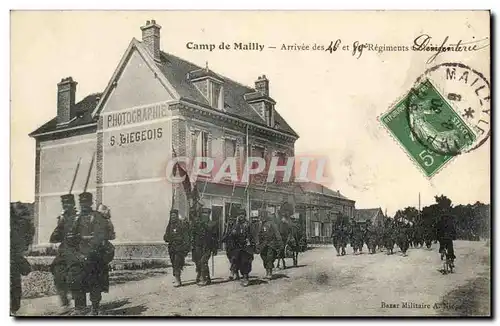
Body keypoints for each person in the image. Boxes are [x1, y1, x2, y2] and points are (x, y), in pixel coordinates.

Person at [67, 193, 115, 316]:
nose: (83, 205)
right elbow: (70, 236)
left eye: (86, 203)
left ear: (90, 203)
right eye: (81, 203)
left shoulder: (97, 216)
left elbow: (100, 236)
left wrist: (88, 250)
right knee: (77, 281)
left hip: (94, 255)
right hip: (79, 255)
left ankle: (95, 308)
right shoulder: (76, 218)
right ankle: (80, 308)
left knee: (95, 283)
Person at [49, 194, 78, 310]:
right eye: (64, 204)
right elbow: (54, 238)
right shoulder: (62, 219)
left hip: (77, 251)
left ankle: (79, 303)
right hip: (64, 252)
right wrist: (60, 223)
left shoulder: (78, 217)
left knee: (75, 276)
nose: (66, 206)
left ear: (73, 204)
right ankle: (65, 303)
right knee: (57, 273)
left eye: (68, 203)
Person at [10, 202, 35, 315]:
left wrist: (26, 245)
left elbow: (29, 229)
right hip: (14, 253)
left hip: (13, 253)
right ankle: (13, 308)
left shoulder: (19, 220)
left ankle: (13, 308)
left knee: (14, 280)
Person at [222, 208, 254, 286]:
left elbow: (252, 235)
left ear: (245, 215)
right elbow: (230, 236)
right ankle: (236, 274)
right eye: (239, 215)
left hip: (246, 247)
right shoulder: (235, 225)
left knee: (245, 262)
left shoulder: (248, 224)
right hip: (237, 247)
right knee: (235, 260)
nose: (241, 216)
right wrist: (231, 232)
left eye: (242, 214)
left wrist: (250, 242)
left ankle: (246, 278)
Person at [163, 209, 191, 287]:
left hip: (179, 248)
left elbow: (186, 236)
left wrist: (186, 247)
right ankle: (177, 278)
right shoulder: (169, 225)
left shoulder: (181, 224)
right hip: (172, 248)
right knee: (173, 263)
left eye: (174, 216)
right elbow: (166, 236)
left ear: (177, 216)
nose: (173, 217)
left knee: (177, 263)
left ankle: (178, 280)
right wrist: (166, 237)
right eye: (171, 216)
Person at [191, 207, 218, 286]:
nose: (204, 215)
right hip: (198, 246)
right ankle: (204, 276)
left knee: (203, 261)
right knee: (199, 262)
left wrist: (215, 248)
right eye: (203, 213)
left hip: (208, 247)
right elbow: (193, 233)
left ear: (209, 214)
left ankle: (204, 278)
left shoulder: (213, 223)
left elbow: (214, 236)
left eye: (206, 214)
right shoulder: (197, 223)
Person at [255, 209, 283, 280]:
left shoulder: (272, 224)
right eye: (260, 216)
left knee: (269, 258)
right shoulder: (260, 224)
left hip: (271, 244)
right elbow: (258, 234)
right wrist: (258, 243)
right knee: (264, 257)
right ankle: (267, 271)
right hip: (263, 245)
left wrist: (280, 243)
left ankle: (269, 273)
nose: (261, 217)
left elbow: (277, 234)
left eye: (262, 216)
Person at [221, 210, 239, 280]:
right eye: (229, 220)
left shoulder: (236, 227)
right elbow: (223, 238)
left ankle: (232, 273)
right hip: (228, 247)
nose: (230, 221)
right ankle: (236, 273)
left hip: (235, 246)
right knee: (231, 261)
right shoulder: (226, 228)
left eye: (231, 220)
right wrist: (225, 235)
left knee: (234, 260)